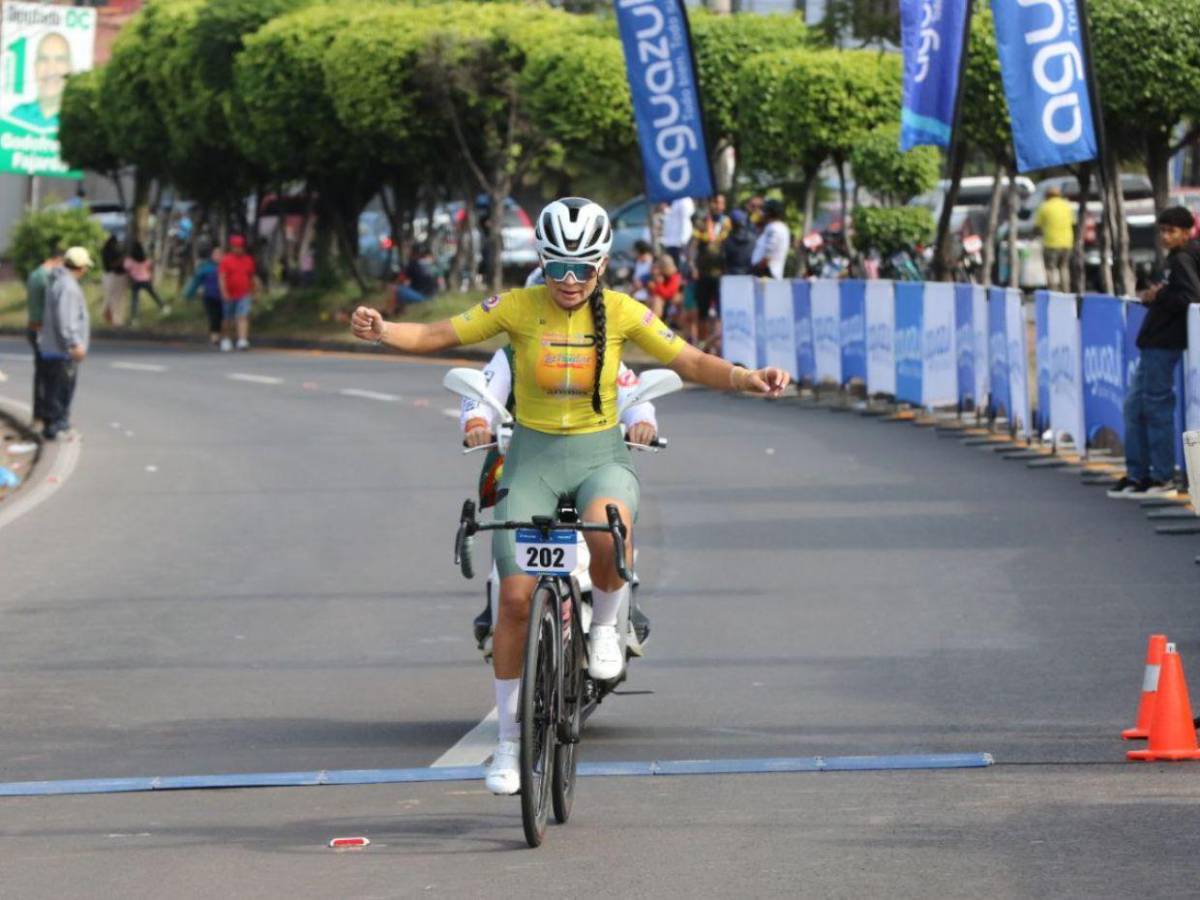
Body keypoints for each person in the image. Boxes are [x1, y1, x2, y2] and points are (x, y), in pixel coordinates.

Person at [350, 196, 789, 795]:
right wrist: (384, 331)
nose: (570, 281)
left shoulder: (625, 311)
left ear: (603, 264)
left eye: (583, 268)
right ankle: (508, 746)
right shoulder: (518, 307)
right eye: (558, 267)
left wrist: (745, 376)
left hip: (598, 456)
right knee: (513, 598)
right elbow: (436, 334)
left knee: (608, 527)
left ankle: (606, 629)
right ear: (543, 261)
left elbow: (686, 358)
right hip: (531, 461)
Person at [462, 346, 660, 655]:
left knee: (611, 526)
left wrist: (641, 421)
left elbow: (632, 395)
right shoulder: (513, 353)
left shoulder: (603, 345)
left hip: (591, 464)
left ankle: (618, 614)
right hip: (528, 464)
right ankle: (498, 603)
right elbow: (482, 393)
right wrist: (476, 422)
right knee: (510, 519)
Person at [1108, 206, 1200, 499]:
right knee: (1134, 408)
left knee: (1156, 409)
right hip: (1153, 342)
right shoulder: (1174, 259)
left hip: (1165, 343)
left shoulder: (1184, 258)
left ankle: (1161, 477)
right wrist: (1152, 295)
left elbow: (1190, 297)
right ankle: (1139, 474)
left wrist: (1159, 295)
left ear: (1187, 232)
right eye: (1161, 230)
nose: (1164, 236)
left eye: (1171, 231)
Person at [39, 247, 92, 441]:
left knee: (55, 390)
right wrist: (74, 344)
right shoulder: (68, 287)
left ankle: (54, 424)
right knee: (61, 391)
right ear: (80, 267)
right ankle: (58, 426)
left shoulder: (60, 282)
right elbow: (66, 320)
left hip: (55, 349)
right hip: (61, 351)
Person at [25, 241, 64, 427]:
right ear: (58, 260)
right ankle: (44, 413)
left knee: (40, 373)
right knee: (47, 374)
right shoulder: (46, 278)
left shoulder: (34, 274)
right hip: (42, 330)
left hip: (33, 327)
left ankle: (38, 413)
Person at [8, 32, 71, 130]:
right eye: (44, 59)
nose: (51, 69)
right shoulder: (16, 118)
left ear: (70, 68)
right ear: (35, 67)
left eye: (60, 59)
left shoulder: (80, 122)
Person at [693, 195, 731, 346]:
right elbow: (693, 246)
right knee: (702, 312)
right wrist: (692, 266)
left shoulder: (728, 223)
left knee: (721, 312)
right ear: (710, 204)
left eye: (721, 203)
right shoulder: (702, 223)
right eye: (715, 202)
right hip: (703, 274)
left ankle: (717, 345)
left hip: (722, 275)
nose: (717, 206)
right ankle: (703, 345)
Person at [219, 234, 257, 351]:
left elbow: (251, 277)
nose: (238, 249)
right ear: (232, 247)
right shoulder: (226, 260)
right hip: (229, 293)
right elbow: (222, 277)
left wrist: (253, 292)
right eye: (236, 246)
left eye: (240, 246)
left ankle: (242, 340)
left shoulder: (248, 260)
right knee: (228, 318)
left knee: (243, 316)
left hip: (244, 293)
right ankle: (226, 339)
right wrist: (224, 292)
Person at [1034, 186, 1074, 292]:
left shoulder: (1044, 207)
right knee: (1064, 268)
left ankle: (1052, 291)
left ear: (1047, 196)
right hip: (1067, 243)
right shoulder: (1066, 206)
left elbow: (1037, 226)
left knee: (1050, 268)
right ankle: (1066, 291)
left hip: (1051, 243)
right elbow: (1073, 222)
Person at [185, 246, 225, 348]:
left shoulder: (226, 266)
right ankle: (214, 338)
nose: (218, 256)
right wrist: (189, 294)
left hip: (225, 296)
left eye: (220, 254)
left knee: (223, 317)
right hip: (209, 296)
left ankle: (223, 337)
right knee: (214, 317)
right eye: (216, 254)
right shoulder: (206, 267)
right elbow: (196, 281)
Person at [124, 242, 168, 323]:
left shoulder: (129, 260)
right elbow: (150, 266)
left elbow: (126, 268)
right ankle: (164, 307)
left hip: (135, 281)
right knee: (154, 294)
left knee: (135, 300)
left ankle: (134, 319)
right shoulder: (145, 259)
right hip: (146, 280)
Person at [751, 198, 790, 279]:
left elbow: (768, 255)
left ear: (769, 213)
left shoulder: (774, 228)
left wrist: (757, 269)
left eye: (764, 211)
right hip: (767, 274)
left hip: (767, 275)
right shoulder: (778, 227)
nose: (762, 213)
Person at [661, 196, 695, 271]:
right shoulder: (674, 200)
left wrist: (683, 241)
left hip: (680, 242)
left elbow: (685, 221)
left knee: (680, 269)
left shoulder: (684, 200)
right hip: (671, 242)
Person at [648, 253, 682, 324]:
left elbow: (668, 294)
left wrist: (658, 284)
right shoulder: (663, 275)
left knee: (657, 300)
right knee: (654, 299)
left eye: (661, 268)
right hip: (664, 301)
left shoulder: (675, 277)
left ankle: (653, 324)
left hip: (672, 303)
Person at [100, 234, 126, 326]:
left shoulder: (106, 250)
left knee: (111, 298)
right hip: (113, 275)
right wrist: (121, 260)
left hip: (110, 276)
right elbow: (111, 265)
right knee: (114, 299)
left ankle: (112, 318)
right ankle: (115, 320)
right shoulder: (109, 252)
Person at [723, 209, 756, 276]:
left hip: (731, 276)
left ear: (732, 223)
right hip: (749, 275)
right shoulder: (754, 238)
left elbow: (724, 259)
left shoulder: (728, 240)